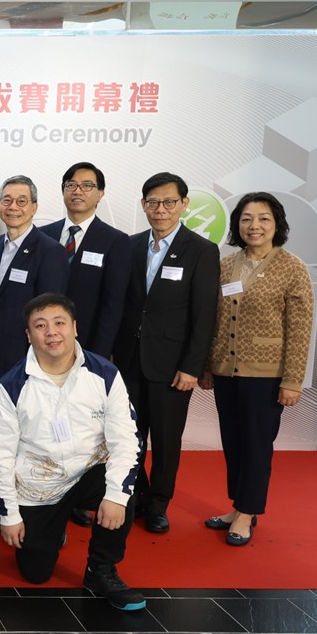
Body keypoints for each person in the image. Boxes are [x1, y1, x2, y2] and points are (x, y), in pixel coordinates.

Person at [0, 293, 145, 611]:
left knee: (124, 488)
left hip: (90, 472)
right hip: (40, 486)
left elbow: (127, 440)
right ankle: (54, 528)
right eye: (40, 326)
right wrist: (9, 515)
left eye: (59, 323)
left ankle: (101, 570)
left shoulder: (105, 374)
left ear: (74, 327)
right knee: (36, 573)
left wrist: (116, 496)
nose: (51, 332)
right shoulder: (10, 386)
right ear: (28, 335)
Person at [199, 193, 313, 546]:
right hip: (225, 370)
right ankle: (238, 506)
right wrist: (207, 366)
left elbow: (300, 328)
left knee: (256, 444)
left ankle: (248, 513)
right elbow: (213, 319)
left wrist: (293, 380)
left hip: (266, 375)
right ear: (237, 224)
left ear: (277, 224)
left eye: (264, 218)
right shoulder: (226, 264)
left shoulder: (292, 267)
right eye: (247, 219)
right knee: (233, 442)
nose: (254, 226)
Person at [113, 172, 218, 534]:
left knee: (166, 440)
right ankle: (136, 495)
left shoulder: (201, 250)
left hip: (172, 366)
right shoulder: (129, 246)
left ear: (184, 204)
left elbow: (204, 315)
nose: (161, 209)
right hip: (128, 360)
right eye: (153, 202)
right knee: (128, 435)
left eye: (169, 202)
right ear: (144, 205)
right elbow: (123, 304)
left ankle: (158, 504)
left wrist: (192, 367)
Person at [38, 162, 131, 528]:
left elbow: (113, 303)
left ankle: (76, 497)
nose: (78, 191)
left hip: (87, 351)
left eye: (87, 185)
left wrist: (97, 355)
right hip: (44, 350)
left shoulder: (115, 241)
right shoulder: (44, 234)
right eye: (71, 184)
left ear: (100, 193)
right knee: (44, 421)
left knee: (81, 428)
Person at [0, 175, 68, 382]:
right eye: (7, 200)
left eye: (21, 201)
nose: (13, 207)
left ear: (34, 208)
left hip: (25, 355)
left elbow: (50, 311)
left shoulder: (50, 251)